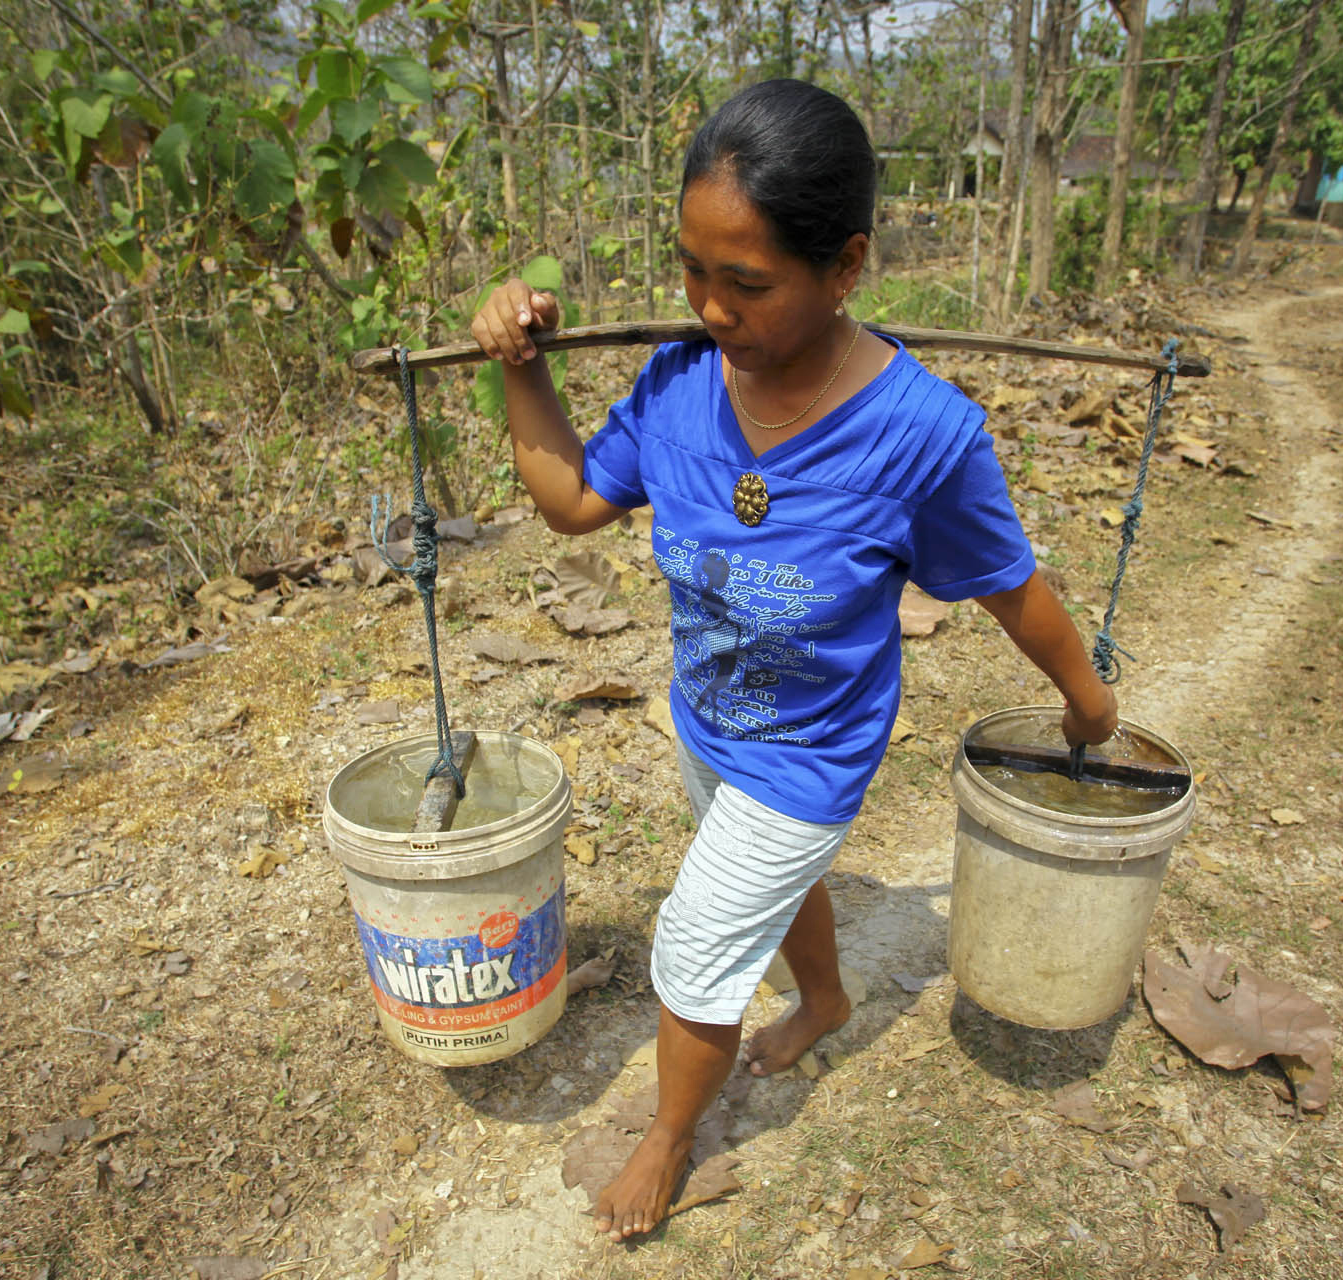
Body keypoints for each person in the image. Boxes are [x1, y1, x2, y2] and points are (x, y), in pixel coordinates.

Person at [469, 78, 1118, 1241]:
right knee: (768, 885)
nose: (710, 307)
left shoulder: (921, 434)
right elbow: (568, 499)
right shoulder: (675, 390)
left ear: (847, 264)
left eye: (747, 282)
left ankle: (669, 1133)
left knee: (696, 939)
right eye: (691, 270)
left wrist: (1085, 696)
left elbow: (1010, 585)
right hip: (708, 722)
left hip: (812, 755)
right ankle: (822, 997)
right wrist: (520, 365)